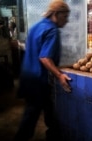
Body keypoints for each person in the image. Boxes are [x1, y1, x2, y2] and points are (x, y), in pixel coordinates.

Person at [14, 0, 72, 141]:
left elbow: (31, 49)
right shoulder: (52, 30)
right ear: (56, 14)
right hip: (38, 80)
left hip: (28, 76)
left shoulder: (36, 27)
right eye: (65, 16)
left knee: (49, 108)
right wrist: (59, 75)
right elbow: (45, 57)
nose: (67, 20)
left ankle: (53, 134)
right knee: (31, 114)